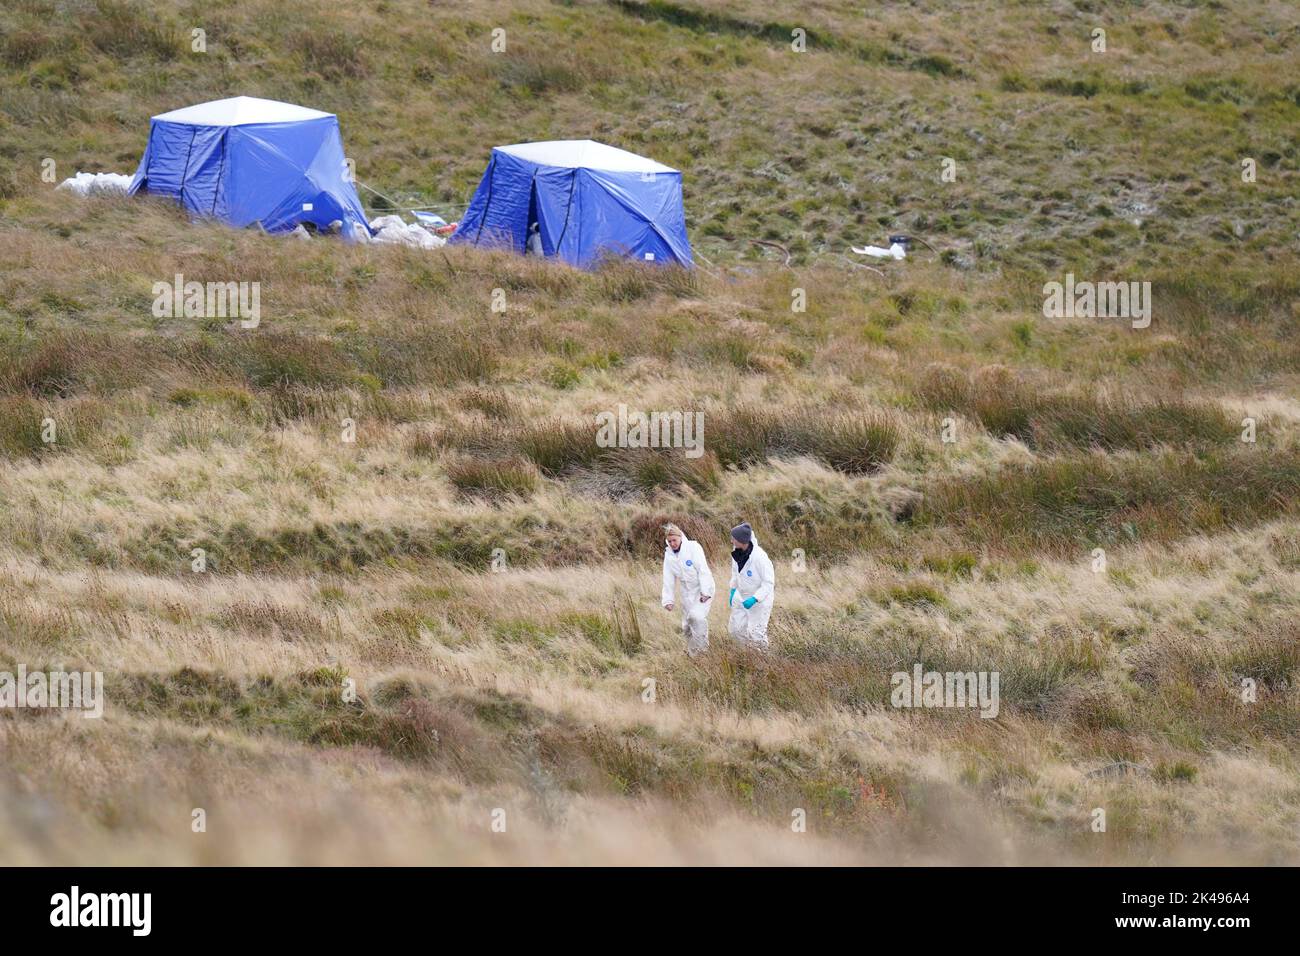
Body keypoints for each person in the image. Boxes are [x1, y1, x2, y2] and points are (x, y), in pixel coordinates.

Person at [661, 523, 714, 656]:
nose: (672, 543)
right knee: (686, 627)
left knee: (697, 617)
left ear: (680, 537)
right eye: (669, 541)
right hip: (687, 592)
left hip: (702, 588)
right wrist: (668, 600)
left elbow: (703, 570)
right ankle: (693, 654)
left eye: (674, 540)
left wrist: (705, 592)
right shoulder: (669, 555)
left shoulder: (693, 547)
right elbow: (668, 578)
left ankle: (703, 653)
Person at [727, 522, 774, 649]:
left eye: (734, 538)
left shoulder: (760, 557)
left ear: (742, 540)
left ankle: (762, 662)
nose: (731, 540)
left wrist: (755, 598)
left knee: (756, 634)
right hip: (741, 595)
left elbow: (768, 583)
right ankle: (744, 658)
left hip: (760, 600)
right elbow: (735, 573)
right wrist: (732, 590)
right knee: (736, 630)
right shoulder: (736, 552)